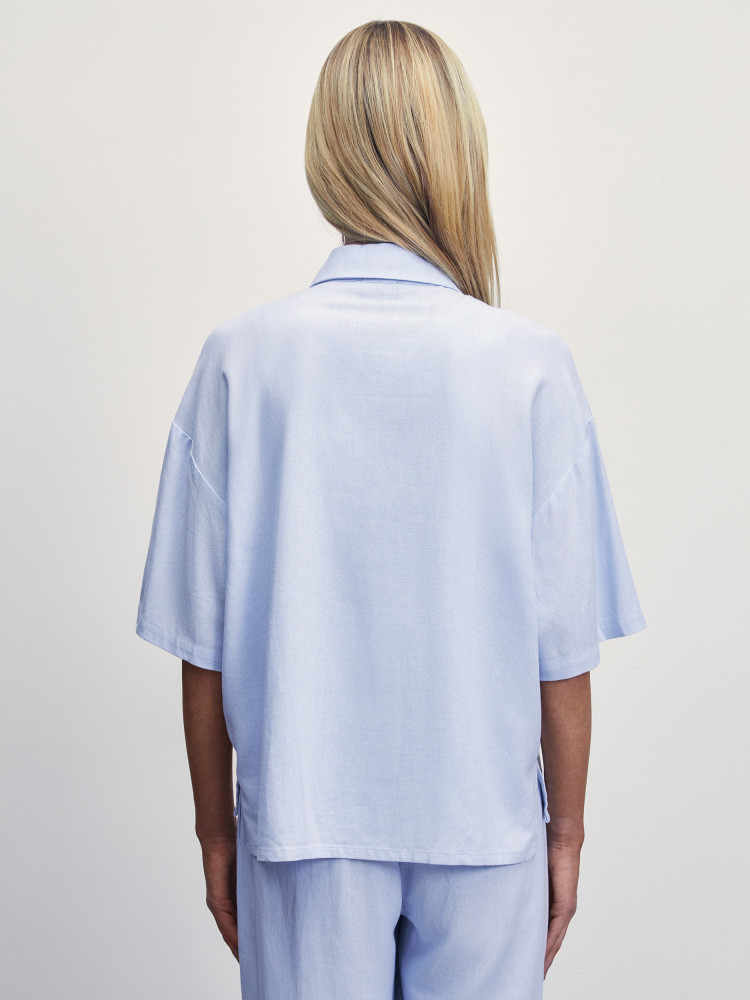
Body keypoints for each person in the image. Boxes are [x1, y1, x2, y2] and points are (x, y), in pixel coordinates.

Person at [135, 19, 647, 1000]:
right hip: (486, 824)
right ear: (458, 151)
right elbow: (562, 650)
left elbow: (202, 648)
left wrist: (214, 833)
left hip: (303, 826)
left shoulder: (242, 360)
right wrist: (568, 832)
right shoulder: (530, 365)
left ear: (326, 154)